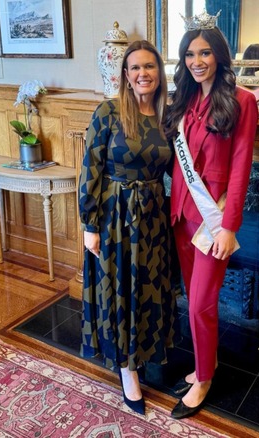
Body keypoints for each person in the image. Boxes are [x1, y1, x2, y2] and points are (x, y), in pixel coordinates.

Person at [163, 13, 258, 419]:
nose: (196, 60)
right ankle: (208, 361)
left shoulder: (243, 101)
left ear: (219, 55)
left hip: (213, 218)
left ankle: (203, 378)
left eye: (204, 53)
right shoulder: (183, 100)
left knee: (201, 301)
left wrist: (230, 226)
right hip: (182, 214)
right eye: (189, 54)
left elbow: (241, 166)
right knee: (193, 297)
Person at [79, 40, 176, 416]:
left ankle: (144, 351)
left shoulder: (167, 117)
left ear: (159, 71)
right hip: (114, 216)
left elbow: (176, 169)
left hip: (153, 217)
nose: (142, 74)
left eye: (149, 66)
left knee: (147, 289)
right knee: (120, 292)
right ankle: (127, 369)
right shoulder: (109, 111)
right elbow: (91, 168)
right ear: (125, 75)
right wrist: (90, 224)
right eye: (134, 68)